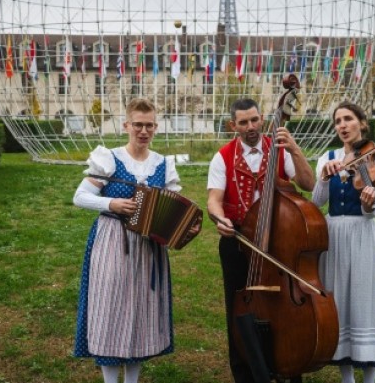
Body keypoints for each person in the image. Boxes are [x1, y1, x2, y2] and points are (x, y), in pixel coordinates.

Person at [206, 98, 317, 383]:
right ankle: (245, 373)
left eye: (255, 120)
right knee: (238, 309)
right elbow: (213, 201)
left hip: (282, 241)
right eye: (243, 122)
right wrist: (221, 220)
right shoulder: (222, 156)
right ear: (234, 125)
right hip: (240, 241)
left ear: (263, 118)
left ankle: (289, 368)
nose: (251, 126)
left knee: (285, 306)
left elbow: (309, 184)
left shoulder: (280, 149)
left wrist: (294, 149)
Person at [73, 98, 180, 383]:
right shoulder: (110, 158)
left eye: (149, 126)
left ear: (156, 127)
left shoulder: (163, 165)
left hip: (148, 247)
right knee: (109, 309)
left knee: (141, 311)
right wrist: (112, 204)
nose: (143, 131)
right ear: (127, 125)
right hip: (112, 241)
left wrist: (173, 229)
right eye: (138, 125)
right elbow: (80, 197)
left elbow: (173, 207)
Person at [311, 102, 375, 383]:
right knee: (338, 303)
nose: (342, 126)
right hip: (334, 236)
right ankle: (346, 377)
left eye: (348, 119)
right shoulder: (328, 157)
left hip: (362, 234)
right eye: (337, 121)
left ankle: (369, 378)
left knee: (364, 300)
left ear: (362, 123)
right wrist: (323, 177)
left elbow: (370, 210)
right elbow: (316, 203)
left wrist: (370, 203)